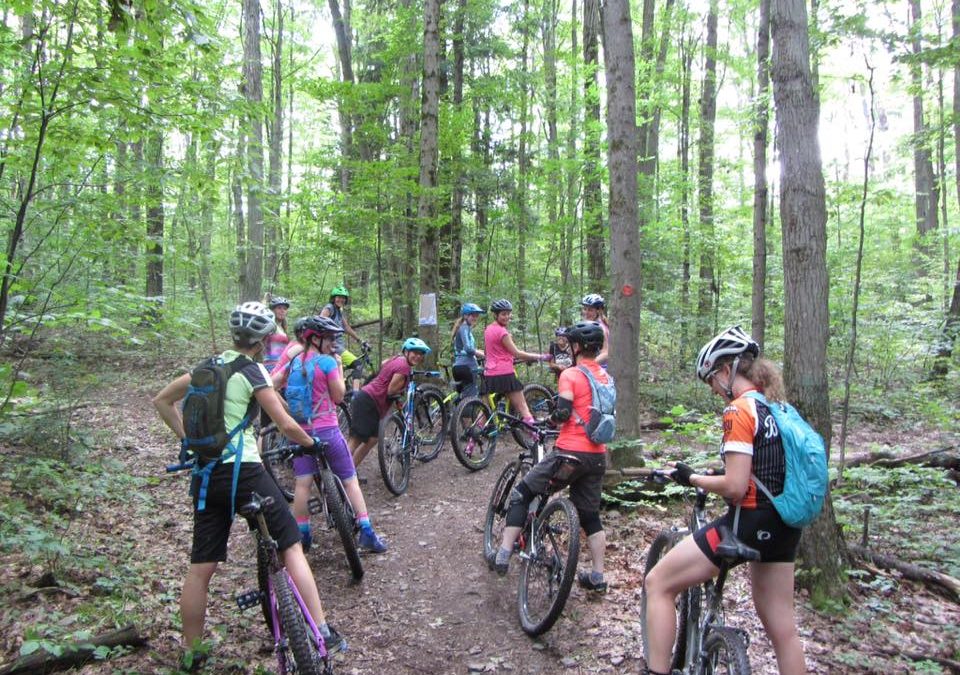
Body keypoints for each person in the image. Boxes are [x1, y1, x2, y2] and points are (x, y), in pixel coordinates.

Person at [152, 302, 346, 669]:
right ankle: (322, 629)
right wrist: (310, 443)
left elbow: (162, 401)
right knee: (290, 547)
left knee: (200, 569)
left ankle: (191, 652)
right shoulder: (252, 371)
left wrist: (190, 444)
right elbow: (285, 424)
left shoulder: (204, 368)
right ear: (261, 340)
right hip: (245, 475)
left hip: (206, 477)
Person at [642, 326, 806, 675]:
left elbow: (734, 486)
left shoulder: (738, 411)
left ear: (726, 370)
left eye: (712, 380)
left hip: (747, 523)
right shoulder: (776, 408)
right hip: (785, 526)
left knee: (657, 583)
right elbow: (761, 466)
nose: (714, 389)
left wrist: (692, 477)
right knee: (783, 630)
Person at [489, 321, 611, 592]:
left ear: (577, 347)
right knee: (590, 515)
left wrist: (552, 421)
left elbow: (565, 411)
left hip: (569, 454)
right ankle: (598, 576)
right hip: (598, 457)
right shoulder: (605, 377)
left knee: (523, 491)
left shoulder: (571, 374)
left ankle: (504, 551)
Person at [272, 316, 387, 554]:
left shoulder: (293, 361)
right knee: (349, 478)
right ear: (315, 338)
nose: (333, 343)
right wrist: (339, 366)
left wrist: (284, 410)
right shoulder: (327, 362)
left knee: (302, 483)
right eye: (329, 338)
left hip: (301, 431)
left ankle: (302, 535)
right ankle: (366, 531)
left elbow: (270, 385)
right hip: (327, 430)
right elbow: (338, 396)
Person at [347, 337, 432, 468]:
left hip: (369, 399)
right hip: (369, 401)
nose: (418, 356)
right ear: (406, 352)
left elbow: (383, 364)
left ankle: (350, 470)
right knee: (355, 440)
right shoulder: (404, 367)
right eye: (415, 353)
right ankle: (339, 476)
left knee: (372, 439)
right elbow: (391, 390)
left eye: (421, 354)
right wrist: (401, 391)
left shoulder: (397, 359)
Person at [483, 299, 549, 427]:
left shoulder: (488, 329)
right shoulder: (503, 332)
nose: (507, 317)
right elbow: (517, 353)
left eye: (508, 313)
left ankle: (470, 444)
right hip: (505, 374)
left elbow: (494, 352)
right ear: (495, 315)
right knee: (523, 408)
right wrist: (541, 356)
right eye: (503, 314)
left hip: (489, 374)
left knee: (484, 411)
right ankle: (535, 439)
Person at [320, 286, 370, 367]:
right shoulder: (329, 308)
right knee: (358, 365)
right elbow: (320, 323)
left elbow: (346, 327)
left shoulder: (338, 311)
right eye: (338, 297)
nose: (341, 300)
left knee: (339, 372)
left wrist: (360, 340)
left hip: (338, 346)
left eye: (343, 298)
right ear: (333, 298)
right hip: (333, 346)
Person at [451, 302, 485, 399]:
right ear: (466, 315)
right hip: (467, 366)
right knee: (471, 396)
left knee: (463, 394)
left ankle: (457, 411)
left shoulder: (463, 328)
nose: (475, 318)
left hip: (458, 366)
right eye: (473, 315)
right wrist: (484, 355)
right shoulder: (464, 328)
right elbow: (469, 349)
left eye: (476, 316)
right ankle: (468, 413)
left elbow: (467, 348)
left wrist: (482, 352)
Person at [580, 294, 609, 367]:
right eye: (585, 309)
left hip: (600, 370)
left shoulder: (600, 328)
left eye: (590, 310)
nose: (586, 312)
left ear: (598, 311)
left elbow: (606, 353)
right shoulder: (591, 325)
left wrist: (587, 366)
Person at [263, 296, 291, 370]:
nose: (282, 311)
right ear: (272, 310)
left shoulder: (283, 329)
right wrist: (265, 299)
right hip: (269, 365)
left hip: (282, 366)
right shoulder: (269, 325)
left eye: (285, 309)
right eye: (279, 308)